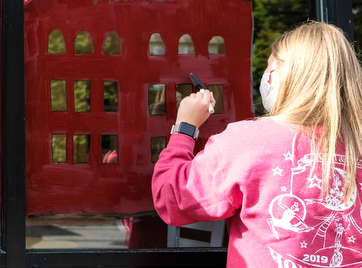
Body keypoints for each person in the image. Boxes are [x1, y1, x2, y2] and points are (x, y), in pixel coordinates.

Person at [152, 21, 362, 267]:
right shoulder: (355, 142)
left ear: (291, 78)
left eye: (269, 70)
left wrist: (185, 127)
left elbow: (172, 199)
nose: (266, 79)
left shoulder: (250, 141)